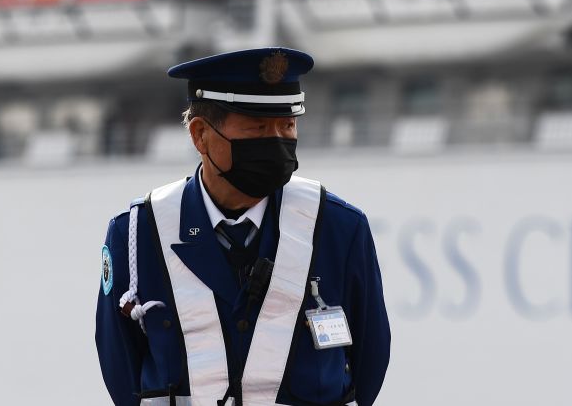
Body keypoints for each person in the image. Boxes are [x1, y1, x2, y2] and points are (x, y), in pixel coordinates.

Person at [95, 47, 391, 406]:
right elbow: (121, 372)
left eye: (287, 125)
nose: (278, 140)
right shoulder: (139, 232)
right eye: (258, 127)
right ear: (200, 135)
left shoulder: (339, 228)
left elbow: (370, 362)